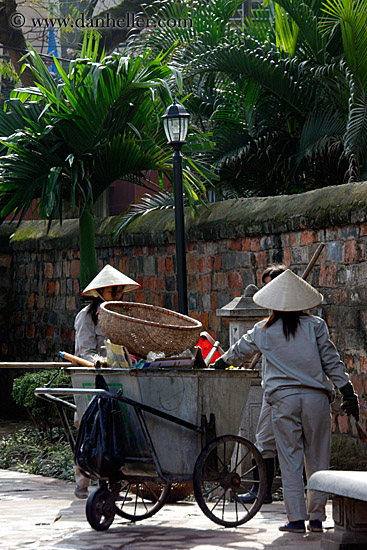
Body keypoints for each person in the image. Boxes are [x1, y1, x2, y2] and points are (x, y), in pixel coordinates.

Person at [214, 269, 359, 534]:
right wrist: (348, 392)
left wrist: (219, 364)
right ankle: (316, 518)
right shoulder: (316, 325)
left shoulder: (263, 330)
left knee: (290, 460)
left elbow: (237, 352)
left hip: (283, 401)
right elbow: (332, 361)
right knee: (318, 461)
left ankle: (295, 519)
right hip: (316, 400)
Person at [73, 264, 140, 499]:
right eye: (113, 291)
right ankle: (82, 481)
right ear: (101, 292)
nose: (117, 295)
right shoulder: (86, 317)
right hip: (91, 379)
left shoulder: (120, 316)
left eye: (120, 291)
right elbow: (84, 352)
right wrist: (101, 360)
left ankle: (112, 487)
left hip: (118, 380)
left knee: (115, 431)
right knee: (89, 427)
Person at [240, 265, 286, 505]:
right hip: (276, 393)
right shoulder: (265, 327)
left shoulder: (309, 324)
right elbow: (243, 346)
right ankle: (263, 491)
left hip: (286, 393)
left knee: (288, 448)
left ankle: (305, 505)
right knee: (265, 441)